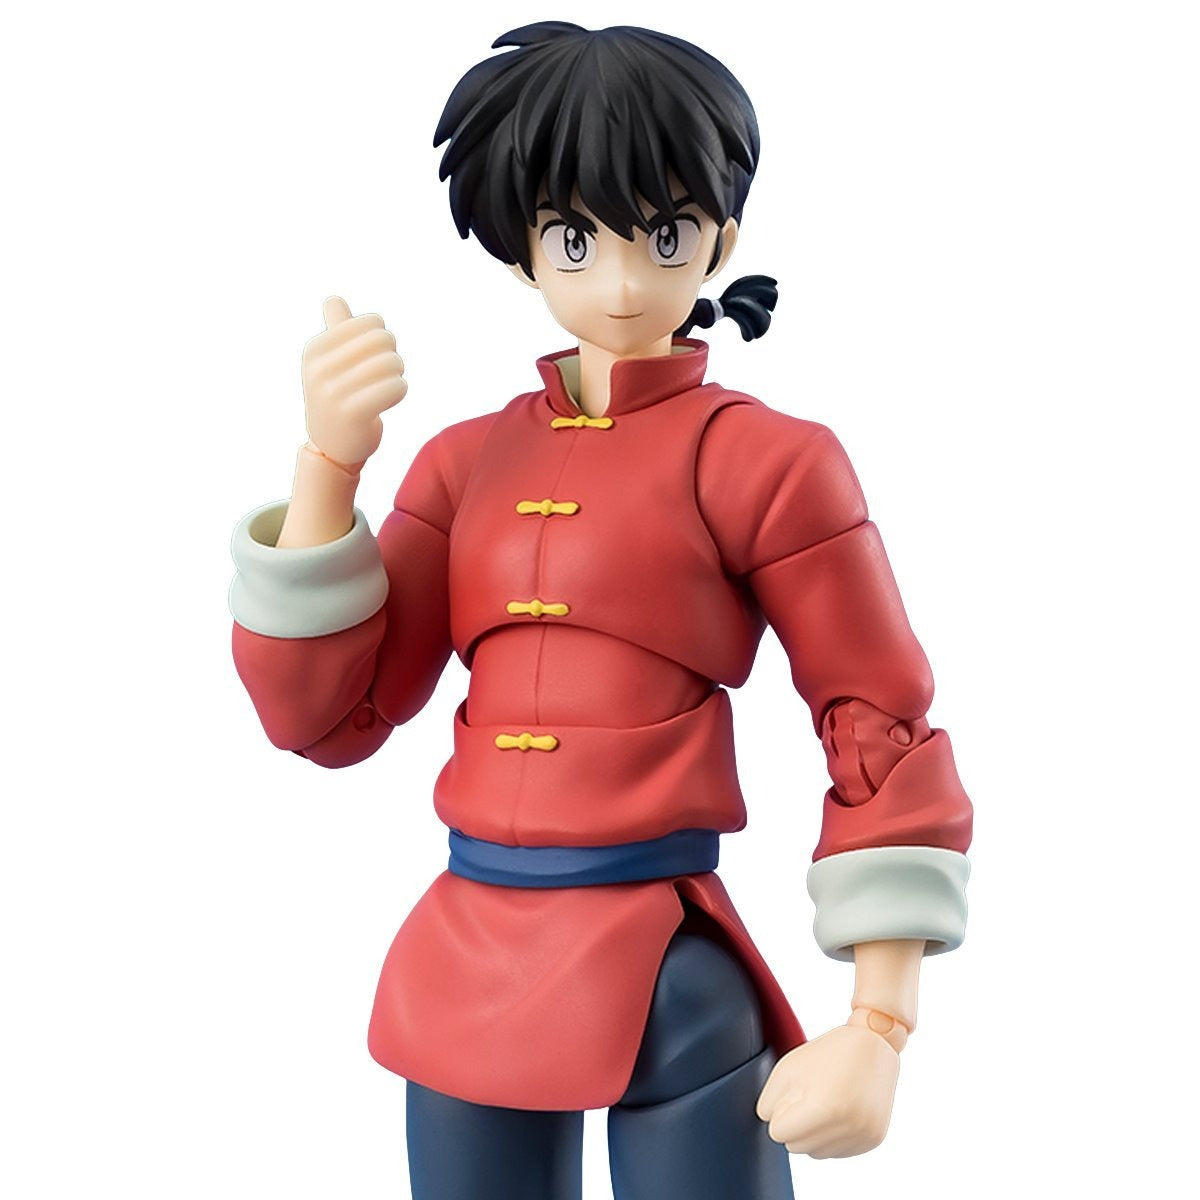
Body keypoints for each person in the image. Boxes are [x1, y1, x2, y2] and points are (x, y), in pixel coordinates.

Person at [228, 22, 973, 1200]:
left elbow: (875, 717)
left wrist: (879, 1024)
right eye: (576, 239)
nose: (623, 285)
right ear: (522, 252)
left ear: (722, 238)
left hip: (669, 973)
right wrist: (328, 470)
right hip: (466, 967)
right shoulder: (464, 463)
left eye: (666, 233)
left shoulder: (768, 462)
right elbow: (329, 719)